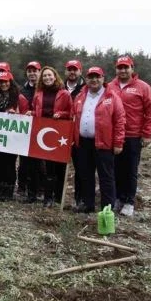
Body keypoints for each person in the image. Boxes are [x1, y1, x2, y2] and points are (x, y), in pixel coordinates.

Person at [109, 56, 151, 217]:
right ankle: (118, 197)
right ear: (116, 69)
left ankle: (129, 201)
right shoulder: (110, 86)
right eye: (120, 67)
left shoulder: (142, 87)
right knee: (115, 168)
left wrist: (147, 134)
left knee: (130, 169)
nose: (122, 70)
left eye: (126, 67)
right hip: (114, 135)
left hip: (133, 135)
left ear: (132, 68)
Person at [72, 67, 125, 213]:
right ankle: (88, 204)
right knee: (86, 175)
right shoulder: (80, 96)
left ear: (103, 78)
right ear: (86, 79)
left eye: (97, 77)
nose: (94, 80)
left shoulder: (112, 97)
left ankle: (107, 208)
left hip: (104, 143)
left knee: (106, 177)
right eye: (91, 77)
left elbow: (120, 121)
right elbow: (74, 118)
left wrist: (118, 142)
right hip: (83, 143)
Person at [30, 66, 73, 207]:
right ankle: (43, 196)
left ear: (55, 77)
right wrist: (31, 114)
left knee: (54, 167)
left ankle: (54, 197)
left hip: (56, 132)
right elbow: (35, 110)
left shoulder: (64, 94)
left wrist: (61, 114)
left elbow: (71, 113)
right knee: (41, 166)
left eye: (50, 75)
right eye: (44, 76)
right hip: (41, 131)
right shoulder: (38, 94)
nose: (47, 78)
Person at [0, 71, 24, 200]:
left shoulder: (18, 97)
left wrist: (17, 114)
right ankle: (1, 190)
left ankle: (9, 192)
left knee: (9, 163)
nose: (3, 84)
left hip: (12, 137)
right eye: (1, 82)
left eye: (6, 82)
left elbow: (26, 115)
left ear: (10, 82)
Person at [17, 60, 41, 196]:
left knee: (39, 161)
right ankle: (21, 187)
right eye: (29, 71)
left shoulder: (44, 88)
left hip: (39, 128)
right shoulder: (23, 89)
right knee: (23, 160)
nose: (32, 73)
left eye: (35, 70)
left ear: (39, 71)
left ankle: (38, 188)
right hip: (25, 129)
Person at [63, 59, 85, 207]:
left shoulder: (86, 88)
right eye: (69, 69)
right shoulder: (60, 86)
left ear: (80, 71)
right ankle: (57, 196)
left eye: (75, 69)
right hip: (61, 132)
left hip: (79, 134)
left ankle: (80, 199)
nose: (72, 72)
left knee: (81, 167)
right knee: (59, 166)